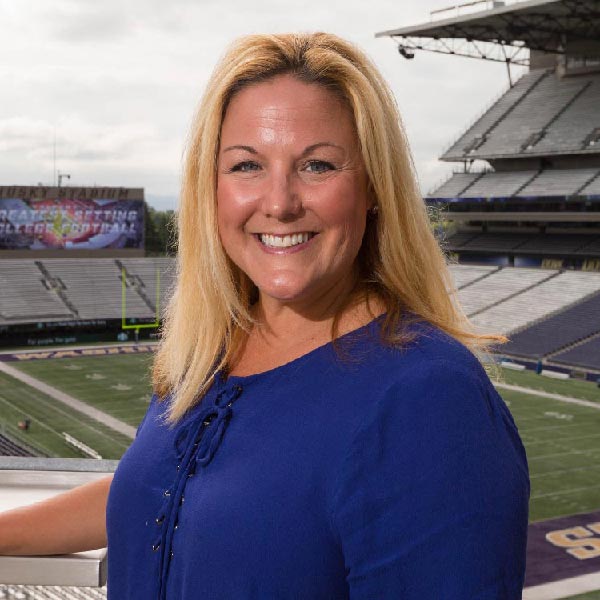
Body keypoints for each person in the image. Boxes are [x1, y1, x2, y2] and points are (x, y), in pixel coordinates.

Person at [0, 33, 529, 598]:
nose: (279, 202)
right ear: (212, 186)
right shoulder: (211, 350)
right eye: (247, 165)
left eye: (318, 165)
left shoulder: (431, 399)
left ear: (375, 186)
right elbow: (161, 490)